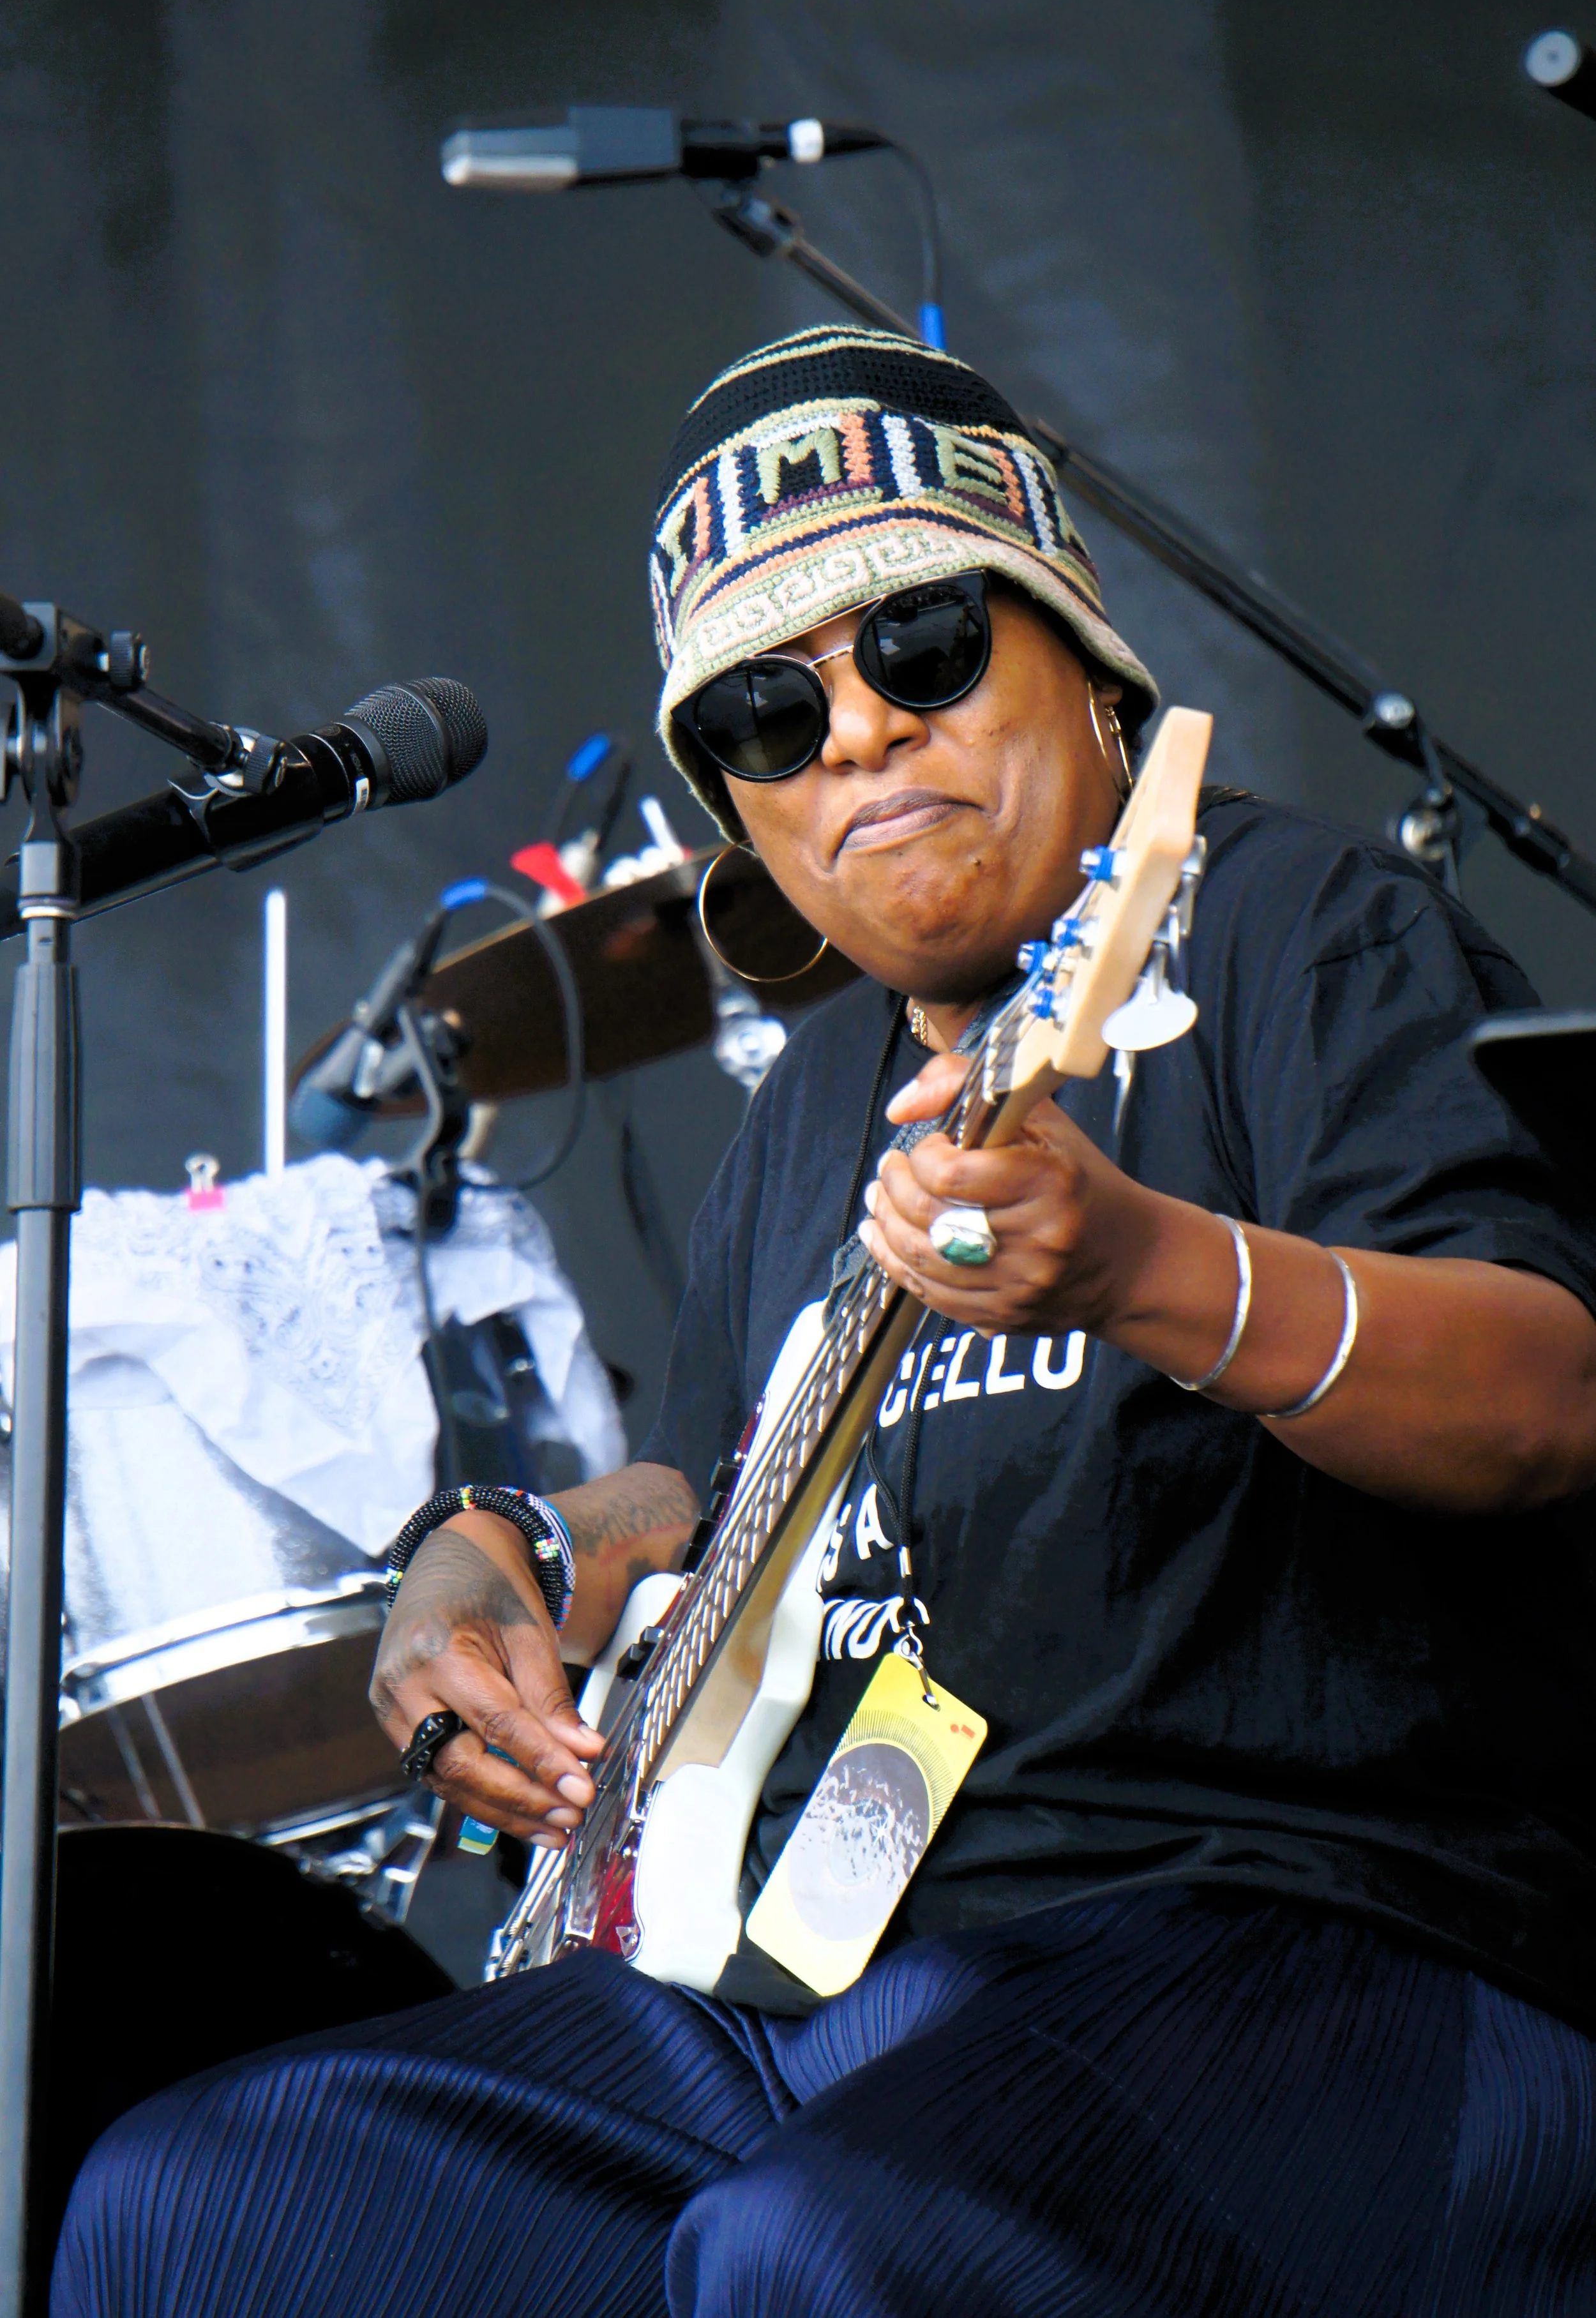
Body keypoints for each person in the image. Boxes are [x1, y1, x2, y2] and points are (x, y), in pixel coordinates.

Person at [55, 327, 1596, 2317]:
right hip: (818, 1957)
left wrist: (1138, 1266)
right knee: (197, 2204)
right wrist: (497, 1553)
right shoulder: (814, 1101)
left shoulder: (1309, 935)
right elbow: (704, 1500)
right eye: (772, 714)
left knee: (827, 2250)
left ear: (1087, 667)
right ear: (740, 812)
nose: (857, 731)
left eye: (928, 644)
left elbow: (1544, 1395)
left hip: (1296, 1932)